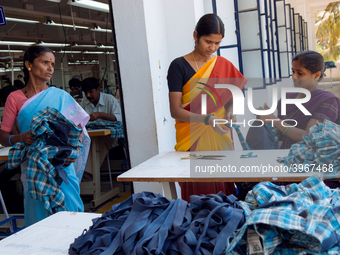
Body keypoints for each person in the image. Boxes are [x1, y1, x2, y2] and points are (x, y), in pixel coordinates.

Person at [0, 45, 90, 226]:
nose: (50, 68)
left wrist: (72, 152)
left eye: (52, 64)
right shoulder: (15, 98)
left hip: (61, 164)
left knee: (69, 211)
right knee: (39, 214)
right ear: (29, 65)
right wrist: (20, 138)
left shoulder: (60, 96)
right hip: (34, 166)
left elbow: (79, 130)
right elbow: (3, 136)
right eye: (44, 62)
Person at [167, 13, 247, 202]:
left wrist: (229, 112)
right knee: (199, 193)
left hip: (219, 136)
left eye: (217, 43)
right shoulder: (178, 66)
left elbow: (232, 96)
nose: (212, 48)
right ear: (196, 36)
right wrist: (206, 119)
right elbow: (175, 111)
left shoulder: (222, 65)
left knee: (223, 189)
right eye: (208, 41)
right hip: (192, 139)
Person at [256, 50, 340, 189]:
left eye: (300, 73)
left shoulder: (328, 101)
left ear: (316, 75)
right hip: (287, 163)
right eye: (293, 71)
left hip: (313, 171)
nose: (294, 76)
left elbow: (310, 136)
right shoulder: (287, 98)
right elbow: (281, 133)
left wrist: (275, 121)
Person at [80, 77, 123, 180]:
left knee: (98, 141)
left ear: (98, 89)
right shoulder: (84, 103)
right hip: (91, 136)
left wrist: (100, 115)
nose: (88, 95)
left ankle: (88, 174)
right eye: (85, 93)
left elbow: (119, 118)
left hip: (109, 137)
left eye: (91, 92)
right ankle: (83, 173)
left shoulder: (110, 99)